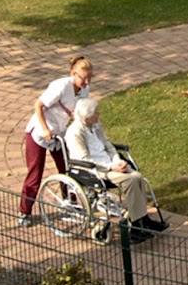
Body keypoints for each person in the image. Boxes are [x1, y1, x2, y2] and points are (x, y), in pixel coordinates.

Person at [65, 97, 163, 233]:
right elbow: (85, 159)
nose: (99, 114)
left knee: (138, 176)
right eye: (96, 112)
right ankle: (136, 226)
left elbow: (108, 146)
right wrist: (111, 167)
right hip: (93, 170)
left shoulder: (96, 126)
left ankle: (143, 219)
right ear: (87, 117)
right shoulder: (75, 133)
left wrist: (117, 161)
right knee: (131, 180)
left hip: (109, 163)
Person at [18, 56, 93, 227]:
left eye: (90, 77)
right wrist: (45, 129)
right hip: (40, 132)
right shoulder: (60, 86)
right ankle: (24, 211)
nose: (87, 82)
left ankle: (70, 203)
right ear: (73, 73)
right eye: (83, 78)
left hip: (59, 133)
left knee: (68, 168)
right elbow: (38, 106)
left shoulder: (84, 90)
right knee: (35, 173)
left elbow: (80, 113)